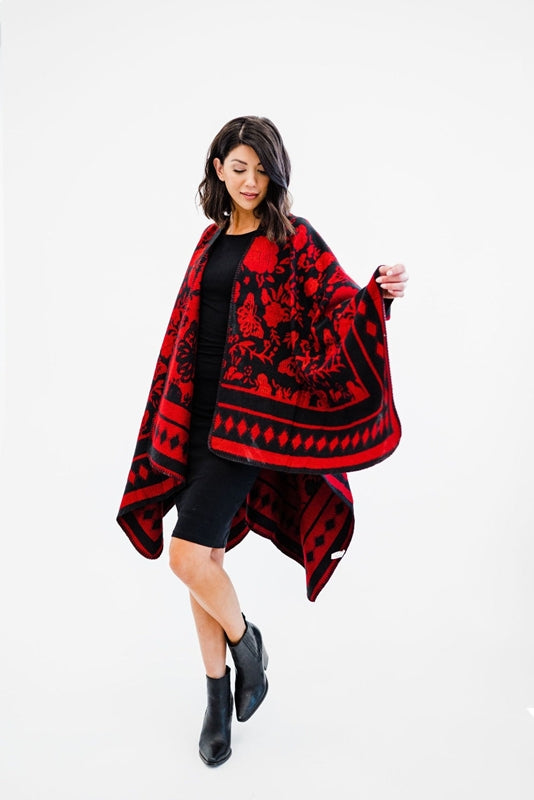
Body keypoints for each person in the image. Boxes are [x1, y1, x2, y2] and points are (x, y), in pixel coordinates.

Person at [117, 116, 408, 767]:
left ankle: (248, 647)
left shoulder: (293, 239)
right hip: (195, 420)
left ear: (275, 174)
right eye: (239, 168)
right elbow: (185, 332)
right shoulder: (208, 241)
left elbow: (338, 306)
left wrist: (377, 294)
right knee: (206, 562)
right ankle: (217, 700)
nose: (251, 181)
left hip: (247, 429)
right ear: (218, 169)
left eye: (261, 170)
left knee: (185, 557)